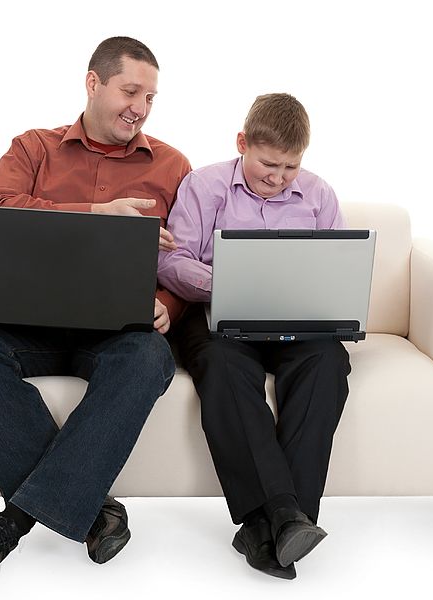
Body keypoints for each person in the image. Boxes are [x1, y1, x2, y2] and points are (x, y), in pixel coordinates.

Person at [0, 36, 191, 582]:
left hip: (117, 335)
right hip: (30, 327)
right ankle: (93, 508)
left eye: (151, 98)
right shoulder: (34, 148)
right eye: (130, 91)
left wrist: (168, 303)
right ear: (94, 83)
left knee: (149, 356)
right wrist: (100, 215)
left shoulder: (172, 166)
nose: (140, 108)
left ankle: (15, 520)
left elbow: (190, 257)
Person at [157, 93, 351, 580]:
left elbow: (338, 268)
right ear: (243, 142)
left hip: (297, 322)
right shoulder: (204, 186)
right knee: (222, 369)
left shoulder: (319, 194)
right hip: (220, 319)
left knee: (329, 363)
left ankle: (271, 527)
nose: (279, 177)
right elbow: (172, 261)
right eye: (268, 163)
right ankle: (287, 516)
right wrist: (227, 283)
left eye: (291, 167)